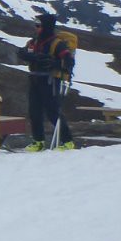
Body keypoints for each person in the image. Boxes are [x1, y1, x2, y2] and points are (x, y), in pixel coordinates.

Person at [17, 13, 76, 151]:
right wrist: (24, 55)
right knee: (34, 111)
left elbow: (68, 61)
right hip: (35, 79)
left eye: (39, 25)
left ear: (46, 27)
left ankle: (68, 142)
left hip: (50, 80)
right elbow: (22, 52)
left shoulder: (57, 44)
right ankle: (38, 141)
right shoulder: (33, 42)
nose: (36, 28)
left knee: (53, 111)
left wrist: (55, 63)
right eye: (36, 25)